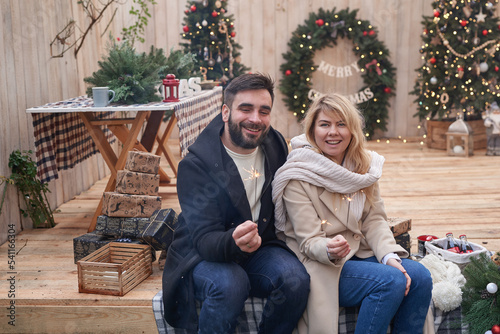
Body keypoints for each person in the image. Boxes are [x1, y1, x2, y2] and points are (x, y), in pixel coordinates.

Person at [272, 93, 432, 334]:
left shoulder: (363, 168)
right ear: (313, 130)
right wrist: (328, 248)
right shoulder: (298, 175)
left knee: (420, 276)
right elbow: (308, 241)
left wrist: (390, 258)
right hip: (324, 263)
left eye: (341, 124)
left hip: (360, 252)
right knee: (390, 281)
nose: (333, 132)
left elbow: (375, 220)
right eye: (324, 124)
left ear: (352, 130)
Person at [162, 73, 310, 334]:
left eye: (264, 111)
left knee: (295, 280)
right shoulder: (196, 166)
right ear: (225, 112)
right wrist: (233, 241)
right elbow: (205, 240)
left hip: (260, 248)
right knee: (231, 283)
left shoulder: (275, 145)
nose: (255, 119)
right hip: (202, 254)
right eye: (246, 109)